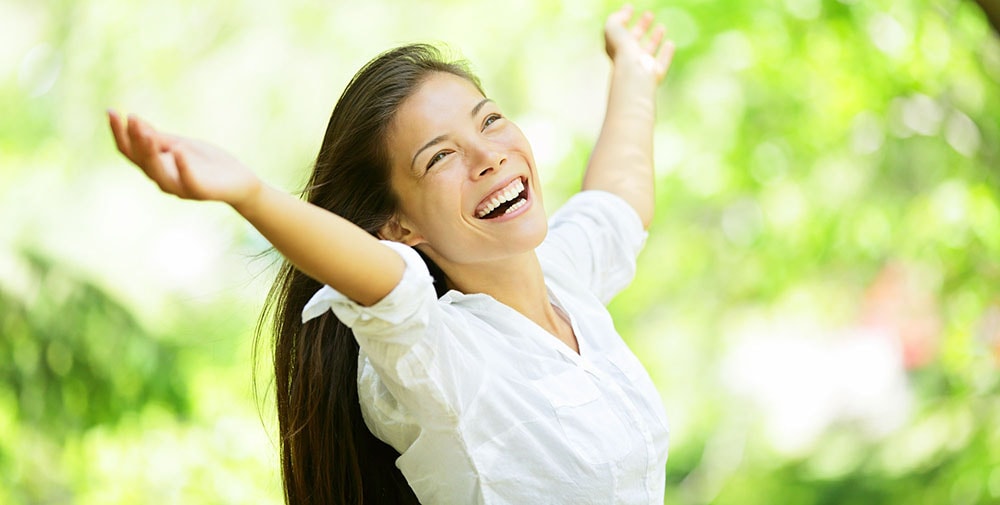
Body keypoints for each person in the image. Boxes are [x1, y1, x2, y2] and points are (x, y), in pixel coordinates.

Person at [109, 5, 675, 504]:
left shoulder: (563, 279)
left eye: (490, 120)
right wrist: (250, 196)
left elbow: (618, 198)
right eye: (439, 157)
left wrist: (634, 67)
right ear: (398, 226)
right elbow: (383, 283)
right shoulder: (436, 359)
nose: (488, 157)